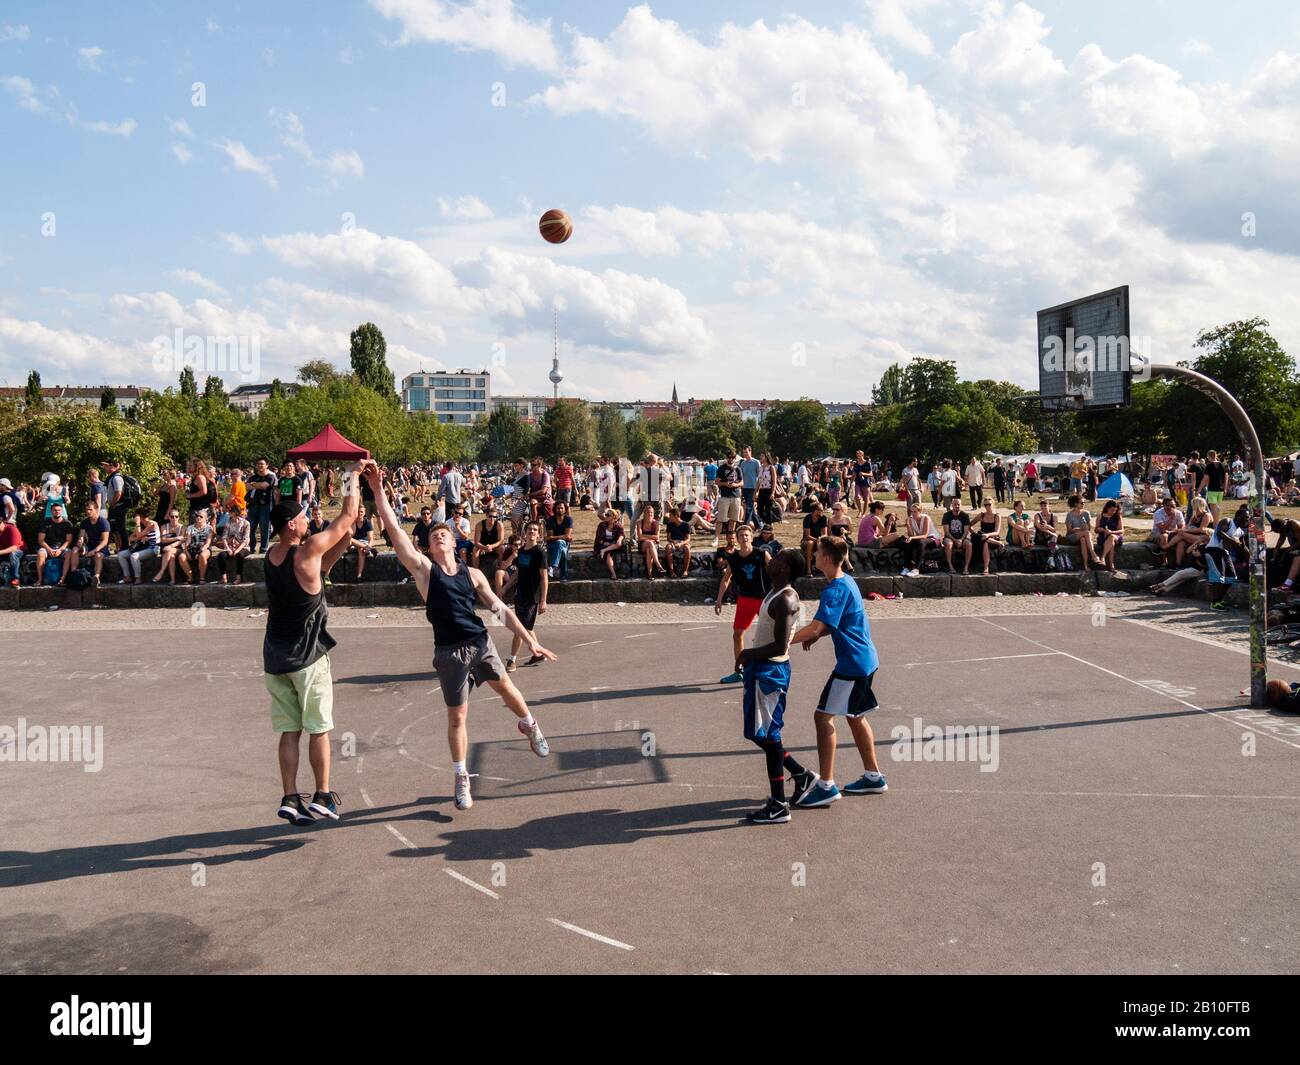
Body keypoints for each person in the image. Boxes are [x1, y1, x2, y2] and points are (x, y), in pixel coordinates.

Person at [362, 461, 554, 812]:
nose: (438, 536)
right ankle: (461, 776)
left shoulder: (474, 574)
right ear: (431, 547)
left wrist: (530, 641)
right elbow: (396, 533)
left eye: (444, 534)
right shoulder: (425, 572)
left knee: (508, 689)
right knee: (457, 717)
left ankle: (530, 726)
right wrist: (378, 491)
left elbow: (501, 610)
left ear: (454, 540)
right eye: (434, 535)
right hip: (449, 652)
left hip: (480, 644)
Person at [264, 472, 361, 825]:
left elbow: (321, 569)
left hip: (275, 658)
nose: (309, 519)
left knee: (290, 730)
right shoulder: (305, 550)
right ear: (292, 524)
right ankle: (322, 794)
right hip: (307, 657)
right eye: (304, 516)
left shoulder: (273, 556)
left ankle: (290, 796)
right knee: (319, 727)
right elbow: (348, 516)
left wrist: (344, 541)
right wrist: (353, 476)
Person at [790, 535, 886, 806]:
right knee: (855, 717)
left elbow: (817, 625)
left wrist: (782, 641)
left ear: (827, 558)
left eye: (817, 552)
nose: (814, 556)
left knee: (823, 718)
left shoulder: (834, 590)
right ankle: (873, 777)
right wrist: (815, 636)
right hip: (865, 660)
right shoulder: (846, 581)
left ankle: (827, 785)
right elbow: (830, 624)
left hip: (852, 665)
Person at [735, 548, 818, 824]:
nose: (772, 559)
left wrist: (748, 653)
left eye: (778, 558)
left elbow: (781, 644)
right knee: (761, 734)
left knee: (769, 735)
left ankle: (779, 804)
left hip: (771, 671)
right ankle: (801, 774)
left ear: (785, 569)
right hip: (764, 668)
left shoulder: (785, 599)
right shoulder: (775, 591)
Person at [716, 525, 771, 685]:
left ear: (751, 538)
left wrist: (781, 592)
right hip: (745, 600)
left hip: (763, 599)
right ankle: (739, 671)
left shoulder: (761, 554)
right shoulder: (734, 559)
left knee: (769, 635)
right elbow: (726, 579)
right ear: (738, 539)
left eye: (747, 535)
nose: (744, 537)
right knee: (737, 634)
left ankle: (768, 670)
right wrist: (719, 599)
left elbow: (776, 570)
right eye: (741, 535)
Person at [501, 520, 549, 673]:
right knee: (527, 628)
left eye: (535, 529)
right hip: (519, 595)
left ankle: (512, 660)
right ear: (525, 532)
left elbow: (544, 577)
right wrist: (505, 588)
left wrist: (543, 600)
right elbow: (518, 572)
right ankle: (538, 654)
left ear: (539, 534)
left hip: (532, 597)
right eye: (529, 529)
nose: (532, 531)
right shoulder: (521, 551)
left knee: (519, 628)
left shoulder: (540, 552)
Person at [69, 499, 112, 585]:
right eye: (87, 510)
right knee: (74, 549)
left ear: (96, 510)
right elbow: (81, 535)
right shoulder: (85, 522)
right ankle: (73, 573)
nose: (88, 512)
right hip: (89, 546)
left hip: (100, 547)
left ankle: (96, 577)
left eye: (90, 510)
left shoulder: (103, 522)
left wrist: (94, 551)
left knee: (98, 555)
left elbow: (105, 540)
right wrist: (80, 542)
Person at [35, 501, 74, 586]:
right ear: (51, 511)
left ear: (62, 511)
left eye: (59, 510)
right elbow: (40, 540)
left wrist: (60, 550)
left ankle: (62, 579)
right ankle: (40, 579)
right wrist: (49, 549)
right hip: (47, 547)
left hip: (61, 548)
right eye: (55, 510)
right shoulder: (45, 523)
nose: (57, 512)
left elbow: (68, 541)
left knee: (69, 553)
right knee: (40, 553)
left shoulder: (67, 524)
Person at [117, 508, 160, 584]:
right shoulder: (141, 526)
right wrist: (141, 537)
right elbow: (130, 538)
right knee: (121, 554)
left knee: (134, 556)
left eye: (136, 516)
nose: (134, 518)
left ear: (141, 516)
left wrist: (137, 525)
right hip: (142, 548)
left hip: (153, 549)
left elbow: (138, 535)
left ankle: (138, 578)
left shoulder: (152, 524)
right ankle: (127, 577)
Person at [246, 459, 276, 553]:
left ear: (267, 465)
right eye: (258, 464)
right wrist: (257, 485)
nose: (260, 465)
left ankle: (263, 549)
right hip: (252, 505)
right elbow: (247, 486)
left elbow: (264, 486)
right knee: (250, 528)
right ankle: (252, 548)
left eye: (262, 464)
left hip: (265, 506)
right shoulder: (253, 477)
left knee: (264, 528)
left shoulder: (270, 477)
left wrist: (253, 484)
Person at [715, 450, 744, 547]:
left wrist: (736, 484)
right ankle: (716, 538)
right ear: (726, 458)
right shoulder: (721, 468)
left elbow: (742, 482)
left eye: (732, 457)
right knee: (720, 519)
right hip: (725, 496)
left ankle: (730, 539)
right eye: (729, 457)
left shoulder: (738, 469)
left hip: (736, 496)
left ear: (735, 458)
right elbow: (717, 482)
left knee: (733, 519)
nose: (730, 459)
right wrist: (725, 484)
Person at [178, 508, 214, 584]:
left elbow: (208, 543)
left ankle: (202, 578)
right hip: (192, 548)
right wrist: (186, 551)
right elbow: (188, 541)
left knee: (202, 556)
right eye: (197, 516)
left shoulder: (209, 528)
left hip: (204, 548)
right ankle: (190, 577)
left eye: (201, 516)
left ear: (205, 518)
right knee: (181, 556)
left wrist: (200, 551)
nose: (198, 518)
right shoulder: (190, 528)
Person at [219, 503, 252, 584]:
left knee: (239, 555)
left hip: (243, 547)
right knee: (221, 555)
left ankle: (238, 577)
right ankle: (224, 577)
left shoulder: (246, 523)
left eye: (230, 511)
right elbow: (224, 537)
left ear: (234, 512)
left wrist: (237, 550)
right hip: (231, 546)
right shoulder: (228, 523)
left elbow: (246, 540)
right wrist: (227, 548)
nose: (229, 513)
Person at [1063, 495, 1097, 571]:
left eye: (1084, 502)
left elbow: (1089, 528)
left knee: (1083, 540)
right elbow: (1069, 530)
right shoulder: (1070, 515)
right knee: (1086, 534)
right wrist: (1080, 529)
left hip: (1083, 536)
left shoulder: (1086, 513)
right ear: (1075, 504)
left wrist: (1085, 528)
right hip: (1072, 536)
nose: (1083, 504)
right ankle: (1093, 554)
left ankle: (1085, 565)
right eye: (1081, 503)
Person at [971, 499, 1004, 575]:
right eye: (985, 505)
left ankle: (986, 567)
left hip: (993, 536)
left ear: (993, 504)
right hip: (981, 536)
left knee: (986, 542)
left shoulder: (997, 516)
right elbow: (969, 525)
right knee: (974, 536)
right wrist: (973, 532)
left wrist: (988, 535)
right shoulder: (981, 515)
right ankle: (998, 543)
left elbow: (997, 532)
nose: (987, 506)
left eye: (989, 504)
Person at [942, 497, 974, 575]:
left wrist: (961, 539)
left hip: (962, 537)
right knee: (949, 544)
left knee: (969, 544)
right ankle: (950, 566)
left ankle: (966, 567)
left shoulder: (965, 515)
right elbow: (946, 531)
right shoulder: (946, 515)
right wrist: (955, 540)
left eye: (958, 504)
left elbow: (966, 531)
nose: (957, 506)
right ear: (952, 505)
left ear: (961, 505)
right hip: (950, 537)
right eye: (955, 504)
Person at [636, 501, 667, 579]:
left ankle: (649, 574)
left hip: (653, 546)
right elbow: (640, 538)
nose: (650, 514)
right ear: (644, 513)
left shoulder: (656, 523)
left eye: (651, 513)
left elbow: (657, 537)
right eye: (648, 512)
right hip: (642, 545)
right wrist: (651, 538)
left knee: (649, 550)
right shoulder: (639, 523)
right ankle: (658, 565)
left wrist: (645, 536)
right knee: (650, 543)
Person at [544, 500, 573, 581]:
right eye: (558, 508)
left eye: (561, 508)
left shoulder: (568, 520)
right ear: (555, 509)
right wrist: (563, 537)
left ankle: (552, 567)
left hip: (564, 544)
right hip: (551, 545)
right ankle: (563, 576)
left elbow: (567, 535)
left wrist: (552, 537)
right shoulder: (550, 520)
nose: (560, 510)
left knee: (561, 544)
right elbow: (550, 536)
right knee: (562, 550)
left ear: (565, 509)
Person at [594, 508, 626, 579]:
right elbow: (598, 538)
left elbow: (622, 535)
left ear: (614, 517)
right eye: (606, 515)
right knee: (608, 554)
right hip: (604, 544)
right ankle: (614, 574)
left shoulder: (618, 526)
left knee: (619, 544)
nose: (606, 516)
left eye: (608, 515)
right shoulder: (601, 525)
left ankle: (604, 550)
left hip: (614, 545)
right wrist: (604, 543)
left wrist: (619, 540)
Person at [1094, 499, 1124, 573]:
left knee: (1112, 537)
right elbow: (1096, 530)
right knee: (1111, 544)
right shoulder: (1100, 516)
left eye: (1115, 510)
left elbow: (1122, 530)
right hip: (1103, 538)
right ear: (1107, 508)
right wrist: (1101, 529)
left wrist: (1112, 532)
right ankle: (1111, 566)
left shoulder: (1118, 516)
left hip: (1116, 537)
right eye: (1111, 510)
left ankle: (1102, 557)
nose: (1113, 512)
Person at [664, 505, 693, 577]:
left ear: (676, 516)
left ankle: (685, 571)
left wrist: (681, 544)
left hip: (683, 542)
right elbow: (668, 538)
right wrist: (673, 542)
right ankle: (672, 572)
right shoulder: (670, 524)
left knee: (687, 549)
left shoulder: (686, 524)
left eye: (671, 515)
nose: (669, 517)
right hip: (673, 542)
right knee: (668, 547)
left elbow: (688, 539)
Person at [801, 500, 829, 572]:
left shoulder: (823, 518)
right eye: (820, 509)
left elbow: (825, 534)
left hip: (820, 540)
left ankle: (821, 566)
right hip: (807, 540)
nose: (822, 511)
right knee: (810, 543)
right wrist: (817, 540)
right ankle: (809, 568)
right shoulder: (807, 518)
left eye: (822, 509)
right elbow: (807, 536)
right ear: (814, 511)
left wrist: (820, 539)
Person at [0, 513, 23, 587]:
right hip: (3, 552)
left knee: (13, 554)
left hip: (19, 550)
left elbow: (14, 547)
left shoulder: (12, 529)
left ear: (2, 523)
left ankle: (15, 579)